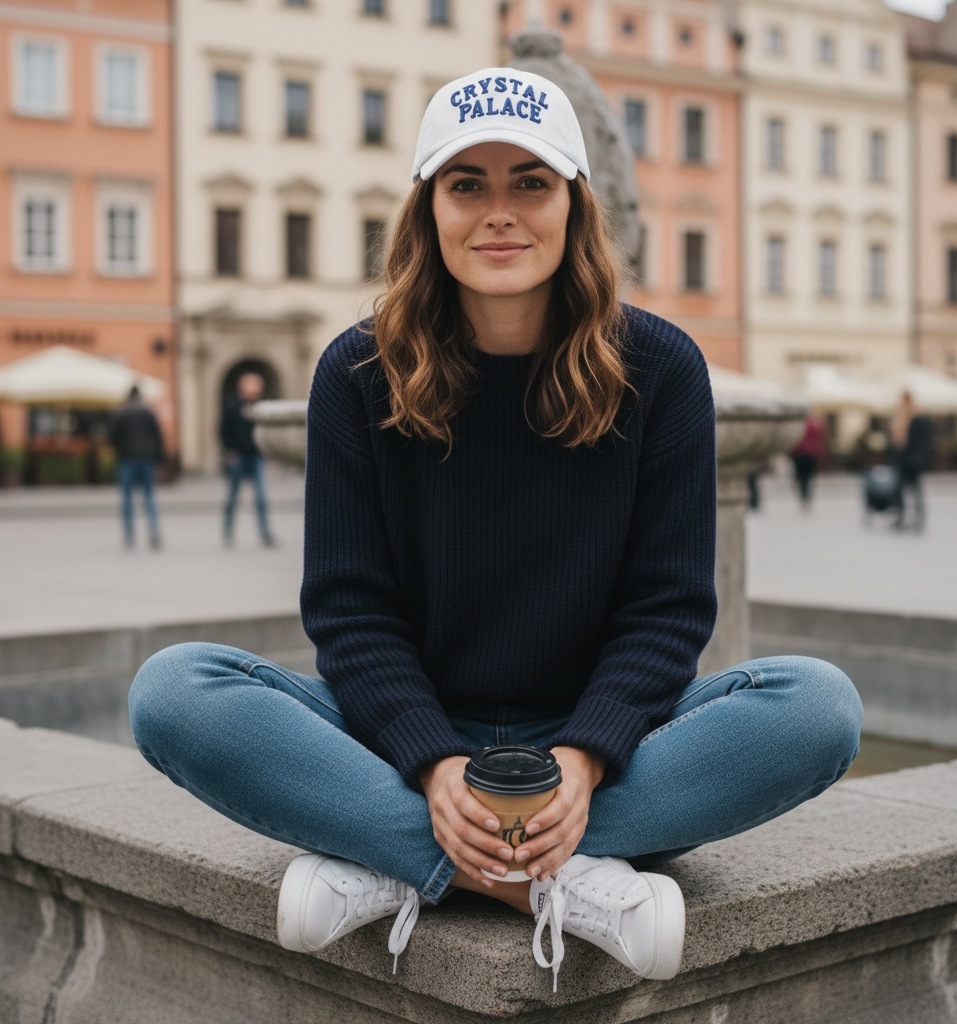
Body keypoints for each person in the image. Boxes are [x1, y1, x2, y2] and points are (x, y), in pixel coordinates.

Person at [128, 67, 862, 991]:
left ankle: (390, 859)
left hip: (597, 739)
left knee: (819, 706)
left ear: (574, 203)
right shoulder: (357, 373)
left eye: (531, 182)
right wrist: (435, 764)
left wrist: (584, 759)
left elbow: (669, 609)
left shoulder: (663, 370)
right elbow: (351, 614)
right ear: (428, 207)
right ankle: (551, 883)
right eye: (467, 183)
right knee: (173, 691)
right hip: (403, 740)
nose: (499, 212)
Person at [220, 372, 275, 547]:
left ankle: (265, 532)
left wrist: (268, 452)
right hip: (238, 454)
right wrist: (229, 450)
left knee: (260, 496)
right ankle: (228, 532)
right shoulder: (232, 405)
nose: (257, 389)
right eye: (253, 385)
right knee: (233, 496)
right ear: (243, 387)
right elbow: (223, 429)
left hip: (256, 455)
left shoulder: (261, 406)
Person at [108, 384, 164, 550]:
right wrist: (159, 458)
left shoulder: (121, 413)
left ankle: (129, 535)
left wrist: (119, 451)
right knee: (149, 498)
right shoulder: (148, 413)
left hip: (127, 459)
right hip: (147, 459)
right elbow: (158, 437)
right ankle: (153, 530)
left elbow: (113, 436)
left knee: (127, 500)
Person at [889, 391, 932, 531]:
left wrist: (919, 458)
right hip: (900, 460)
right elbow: (895, 442)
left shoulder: (917, 419)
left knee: (915, 490)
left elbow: (923, 441)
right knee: (898, 489)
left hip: (913, 460)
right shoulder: (899, 418)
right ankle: (900, 516)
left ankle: (918, 517)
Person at [789, 413, 827, 510]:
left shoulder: (798, 425)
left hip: (799, 453)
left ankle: (803, 496)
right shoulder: (816, 424)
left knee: (801, 476)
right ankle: (806, 497)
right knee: (807, 477)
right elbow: (820, 437)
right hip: (810, 453)